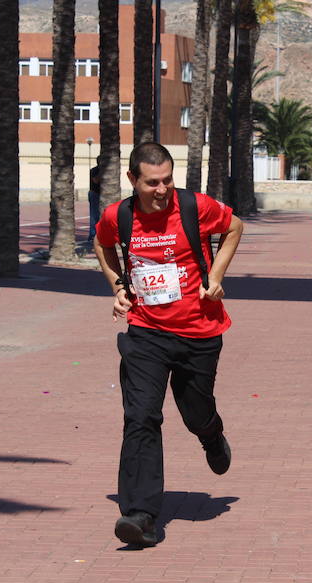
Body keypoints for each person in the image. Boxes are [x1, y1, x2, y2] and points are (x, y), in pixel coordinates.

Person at [93, 142, 244, 547]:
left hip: (200, 332)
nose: (161, 190)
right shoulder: (119, 215)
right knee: (141, 417)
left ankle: (211, 435)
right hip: (146, 333)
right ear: (132, 180)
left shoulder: (195, 207)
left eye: (167, 181)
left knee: (195, 412)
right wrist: (119, 286)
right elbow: (103, 245)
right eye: (152, 183)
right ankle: (140, 514)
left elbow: (234, 227)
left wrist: (215, 274)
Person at [88, 156, 102, 244]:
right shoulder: (94, 170)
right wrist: (102, 171)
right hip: (94, 194)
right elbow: (96, 180)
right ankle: (92, 235)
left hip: (103, 195)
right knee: (94, 215)